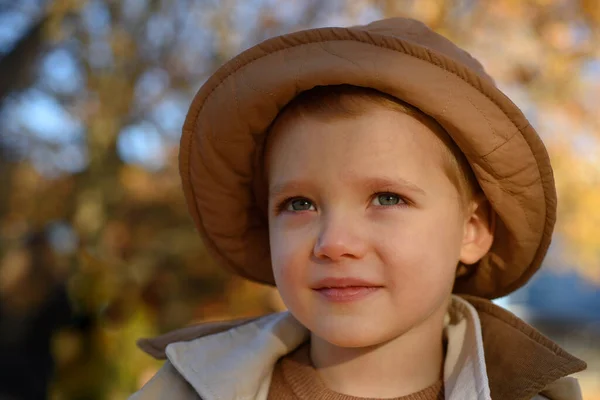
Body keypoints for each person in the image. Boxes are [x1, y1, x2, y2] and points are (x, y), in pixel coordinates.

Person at [130, 17, 587, 400]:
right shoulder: (189, 389)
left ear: (472, 230)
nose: (334, 243)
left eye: (388, 198)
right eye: (299, 203)